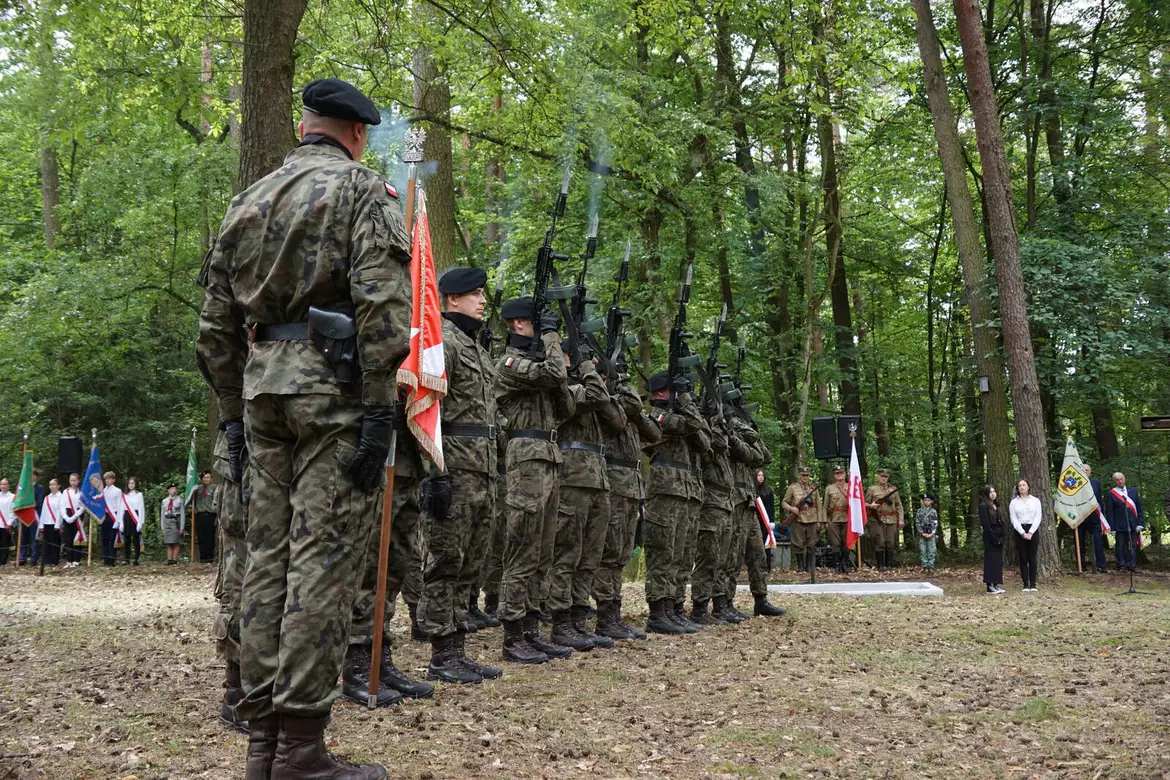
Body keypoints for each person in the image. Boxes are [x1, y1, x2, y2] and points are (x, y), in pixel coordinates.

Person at [196, 77, 411, 780]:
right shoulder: (360, 192)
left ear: (303, 124)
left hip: (263, 394)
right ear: (355, 133)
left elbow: (214, 328)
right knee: (322, 564)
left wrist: (232, 415)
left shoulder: (248, 199)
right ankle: (300, 748)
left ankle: (263, 745)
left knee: (267, 563)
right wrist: (381, 408)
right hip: (333, 395)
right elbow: (382, 306)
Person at [415, 267, 506, 683]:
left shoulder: (477, 349)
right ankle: (440, 652)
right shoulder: (443, 345)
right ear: (452, 299)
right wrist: (433, 473)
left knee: (471, 562)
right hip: (453, 466)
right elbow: (426, 409)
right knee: (445, 561)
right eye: (475, 294)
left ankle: (457, 648)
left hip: (482, 471)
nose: (482, 301)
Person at [494, 295, 573, 663]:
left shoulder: (540, 367)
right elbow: (556, 373)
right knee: (522, 550)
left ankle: (530, 630)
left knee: (542, 553)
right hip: (526, 457)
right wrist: (553, 338)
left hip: (549, 457)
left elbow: (566, 406)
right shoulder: (510, 363)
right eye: (539, 327)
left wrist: (551, 355)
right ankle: (512, 635)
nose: (545, 334)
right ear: (520, 326)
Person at [548, 340, 623, 652]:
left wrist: (593, 371)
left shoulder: (592, 388)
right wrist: (584, 369)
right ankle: (560, 621)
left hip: (597, 479)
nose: (587, 363)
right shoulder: (562, 388)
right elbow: (593, 395)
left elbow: (617, 420)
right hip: (572, 477)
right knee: (567, 554)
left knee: (590, 557)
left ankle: (579, 619)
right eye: (578, 358)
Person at [594, 366, 658, 639]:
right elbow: (620, 416)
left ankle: (613, 613)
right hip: (613, 480)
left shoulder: (627, 406)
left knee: (620, 553)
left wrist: (623, 382)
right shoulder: (605, 403)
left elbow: (653, 433)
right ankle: (605, 614)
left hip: (631, 485)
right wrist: (616, 386)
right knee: (608, 553)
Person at [642, 370, 705, 634]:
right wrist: (687, 400)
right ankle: (658, 611)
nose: (679, 395)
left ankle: (674, 606)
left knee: (681, 554)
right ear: (659, 394)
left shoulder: (677, 416)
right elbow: (692, 425)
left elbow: (703, 439)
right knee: (663, 553)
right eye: (674, 391)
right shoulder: (656, 417)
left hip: (684, 491)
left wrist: (685, 400)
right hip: (665, 491)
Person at [726, 407, 784, 618]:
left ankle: (761, 599)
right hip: (734, 500)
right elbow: (744, 453)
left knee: (758, 555)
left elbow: (764, 456)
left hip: (749, 501)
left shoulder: (745, 436)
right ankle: (725, 602)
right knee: (733, 555)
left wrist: (750, 429)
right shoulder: (728, 435)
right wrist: (735, 426)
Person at [691, 400, 733, 625]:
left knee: (721, 559)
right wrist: (714, 419)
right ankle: (699, 607)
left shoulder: (718, 432)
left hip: (724, 502)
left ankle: (716, 605)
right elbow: (717, 442)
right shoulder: (705, 433)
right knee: (708, 557)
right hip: (710, 502)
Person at [781, 467, 820, 573]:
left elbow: (819, 506)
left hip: (812, 518)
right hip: (798, 518)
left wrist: (819, 520)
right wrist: (791, 508)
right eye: (803, 475)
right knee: (798, 544)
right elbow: (784, 502)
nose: (805, 477)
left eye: (807, 475)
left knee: (811, 544)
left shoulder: (813, 489)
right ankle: (800, 567)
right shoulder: (793, 488)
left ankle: (809, 567)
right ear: (799, 475)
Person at [1103, 471, 1144, 573]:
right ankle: (1121, 565)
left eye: (1121, 479)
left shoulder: (1133, 491)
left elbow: (1139, 508)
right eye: (1117, 480)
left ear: (1124, 479)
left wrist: (1140, 523)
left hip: (1133, 524)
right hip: (1119, 526)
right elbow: (1110, 512)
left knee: (1133, 545)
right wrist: (1112, 528)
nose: (1120, 481)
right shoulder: (1111, 494)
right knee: (1120, 546)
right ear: (1114, 482)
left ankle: (1132, 565)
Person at [865, 469, 904, 571]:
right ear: (878, 476)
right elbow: (864, 503)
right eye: (882, 476)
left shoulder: (893, 489)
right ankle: (880, 565)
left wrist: (901, 519)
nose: (883, 478)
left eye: (886, 476)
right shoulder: (872, 489)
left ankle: (889, 564)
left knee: (890, 542)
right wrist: (871, 506)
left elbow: (899, 505)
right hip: (877, 519)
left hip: (891, 519)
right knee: (880, 542)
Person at [1009, 478, 1042, 591]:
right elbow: (1013, 519)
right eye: (1020, 485)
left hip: (1033, 529)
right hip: (1020, 531)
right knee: (1023, 557)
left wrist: (1031, 532)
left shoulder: (1035, 501)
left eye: (1024, 485)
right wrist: (1022, 532)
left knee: (1032, 558)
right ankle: (1025, 584)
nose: (1022, 487)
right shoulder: (1014, 502)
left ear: (1028, 487)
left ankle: (1033, 584)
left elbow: (1038, 517)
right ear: (1017, 488)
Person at [822, 466, 850, 573]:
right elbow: (825, 506)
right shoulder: (829, 488)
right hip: (833, 518)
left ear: (845, 474)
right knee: (835, 543)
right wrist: (825, 521)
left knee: (846, 542)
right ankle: (837, 565)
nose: (840, 475)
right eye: (837, 473)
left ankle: (845, 564)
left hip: (847, 518)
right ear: (834, 475)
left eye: (841, 473)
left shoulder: (850, 486)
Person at [978, 485, 1005, 594]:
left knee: (998, 561)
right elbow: (986, 525)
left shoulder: (996, 506)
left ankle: (996, 583)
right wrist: (994, 538)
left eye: (994, 491)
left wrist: (1002, 536)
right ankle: (990, 585)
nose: (993, 493)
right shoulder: (983, 506)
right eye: (990, 492)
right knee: (990, 561)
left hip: (999, 536)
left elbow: (1002, 521)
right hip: (990, 538)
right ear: (986, 494)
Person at [1081, 465, 1108, 573]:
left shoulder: (1095, 483)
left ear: (1090, 472)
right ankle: (1081, 565)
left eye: (1086, 470)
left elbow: (1100, 500)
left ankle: (1101, 565)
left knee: (1098, 542)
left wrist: (1102, 516)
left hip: (1095, 517)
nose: (1084, 471)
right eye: (1082, 470)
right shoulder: (1074, 483)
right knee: (1080, 543)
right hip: (1081, 518)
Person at [19, 469, 45, 565]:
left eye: (34, 475)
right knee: (23, 538)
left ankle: (34, 559)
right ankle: (22, 557)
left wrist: (31, 504)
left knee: (34, 538)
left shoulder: (39, 487)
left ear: (36, 477)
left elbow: (39, 502)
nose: (32, 477)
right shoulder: (23, 488)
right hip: (24, 516)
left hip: (34, 516)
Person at [192, 472, 218, 564]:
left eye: (208, 477)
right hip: (199, 515)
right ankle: (202, 558)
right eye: (204, 477)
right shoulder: (197, 488)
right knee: (201, 537)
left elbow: (217, 502)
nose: (206, 479)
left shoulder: (215, 488)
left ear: (211, 479)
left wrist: (216, 517)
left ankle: (209, 557)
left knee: (209, 537)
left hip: (210, 515)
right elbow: (191, 499)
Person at [37, 477, 64, 567]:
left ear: (58, 486)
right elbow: (44, 511)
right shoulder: (47, 498)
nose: (51, 486)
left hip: (55, 523)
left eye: (53, 484)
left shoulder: (61, 497)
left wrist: (57, 524)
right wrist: (41, 524)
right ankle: (46, 560)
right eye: (50, 484)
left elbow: (60, 511)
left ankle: (54, 560)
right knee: (47, 542)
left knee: (55, 542)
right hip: (46, 523)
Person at [61, 473, 86, 567]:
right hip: (67, 516)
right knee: (68, 539)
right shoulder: (65, 492)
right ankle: (69, 560)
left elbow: (83, 507)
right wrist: (66, 517)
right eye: (71, 480)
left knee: (77, 539)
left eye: (75, 480)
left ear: (78, 481)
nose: (73, 482)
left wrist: (74, 517)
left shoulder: (82, 492)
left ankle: (76, 560)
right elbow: (62, 505)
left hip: (78, 516)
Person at [101, 472, 124, 567]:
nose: (108, 480)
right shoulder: (102, 491)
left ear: (114, 480)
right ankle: (105, 559)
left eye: (110, 479)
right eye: (106, 479)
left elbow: (120, 506)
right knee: (104, 538)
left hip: (114, 515)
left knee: (112, 539)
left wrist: (118, 520)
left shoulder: (117, 491)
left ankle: (111, 560)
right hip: (105, 516)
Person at [756, 470, 776, 571]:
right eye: (759, 475)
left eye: (762, 475)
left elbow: (772, 507)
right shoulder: (752, 490)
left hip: (765, 521)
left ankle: (767, 567)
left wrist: (772, 521)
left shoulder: (768, 490)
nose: (761, 477)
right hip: (755, 520)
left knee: (766, 544)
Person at [123, 477, 145, 566]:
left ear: (136, 484)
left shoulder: (139, 494)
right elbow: (122, 508)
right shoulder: (124, 495)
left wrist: (140, 522)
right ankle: (126, 559)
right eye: (129, 483)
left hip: (135, 516)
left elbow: (141, 508)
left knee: (136, 539)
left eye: (132, 483)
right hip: (126, 516)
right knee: (127, 539)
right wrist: (120, 521)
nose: (131, 485)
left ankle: (136, 558)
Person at [160, 483, 184, 564]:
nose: (173, 490)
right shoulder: (164, 501)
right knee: (169, 542)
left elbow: (182, 514)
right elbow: (162, 515)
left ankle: (175, 559)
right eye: (171, 489)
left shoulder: (179, 500)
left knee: (176, 541)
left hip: (175, 522)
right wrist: (162, 527)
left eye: (174, 488)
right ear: (168, 490)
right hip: (167, 522)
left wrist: (181, 527)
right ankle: (169, 559)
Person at [915, 493, 938, 571]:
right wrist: (921, 532)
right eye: (925, 500)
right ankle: (924, 566)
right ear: (923, 501)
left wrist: (933, 533)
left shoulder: (934, 511)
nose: (926, 502)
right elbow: (917, 522)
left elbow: (936, 522)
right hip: (922, 534)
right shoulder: (919, 511)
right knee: (923, 550)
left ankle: (930, 566)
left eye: (928, 500)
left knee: (931, 550)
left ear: (931, 501)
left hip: (931, 534)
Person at [0, 478, 12, 565]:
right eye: (1, 484)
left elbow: (13, 512)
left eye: (5, 484)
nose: (3, 486)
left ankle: (2, 561)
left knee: (4, 543)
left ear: (8, 486)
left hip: (5, 524)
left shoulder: (12, 497)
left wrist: (9, 522)